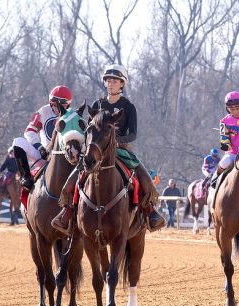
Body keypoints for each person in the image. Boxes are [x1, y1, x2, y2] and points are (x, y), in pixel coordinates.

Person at [51, 64, 166, 234]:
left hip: (121, 150)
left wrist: (115, 142)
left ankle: (150, 212)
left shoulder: (128, 107)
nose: (111, 84)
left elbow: (132, 134)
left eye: (115, 81)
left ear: (122, 84)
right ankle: (68, 212)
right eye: (108, 81)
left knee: (144, 177)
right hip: (97, 150)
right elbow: (90, 129)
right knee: (73, 179)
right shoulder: (98, 104)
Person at [12, 85, 72, 190]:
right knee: (18, 142)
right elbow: (29, 132)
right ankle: (25, 177)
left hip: (64, 156)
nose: (58, 109)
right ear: (50, 103)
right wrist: (40, 148)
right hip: (44, 155)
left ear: (67, 105)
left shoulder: (72, 115)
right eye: (55, 106)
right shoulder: (43, 111)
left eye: (62, 106)